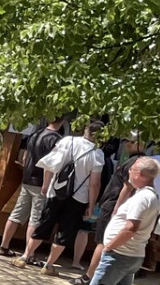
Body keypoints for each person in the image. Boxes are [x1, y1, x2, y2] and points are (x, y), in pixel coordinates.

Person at [59, 156, 160, 285]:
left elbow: (130, 228)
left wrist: (109, 246)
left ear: (140, 174)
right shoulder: (149, 196)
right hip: (130, 254)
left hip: (120, 254)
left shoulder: (143, 198)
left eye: (132, 170)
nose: (129, 172)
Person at [23, 117, 105, 274]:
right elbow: (94, 183)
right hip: (79, 197)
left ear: (86, 130)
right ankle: (49, 265)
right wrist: (91, 204)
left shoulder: (67, 141)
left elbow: (49, 164)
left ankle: (25, 256)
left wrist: (46, 185)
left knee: (44, 223)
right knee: (65, 231)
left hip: (56, 190)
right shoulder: (97, 154)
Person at [0, 119, 62, 256]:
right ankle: (29, 254)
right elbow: (49, 165)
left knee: (16, 214)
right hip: (41, 182)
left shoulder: (35, 134)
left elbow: (25, 157)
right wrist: (46, 184)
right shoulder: (56, 139)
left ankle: (4, 246)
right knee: (35, 219)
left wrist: (26, 171)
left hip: (27, 179)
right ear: (62, 122)